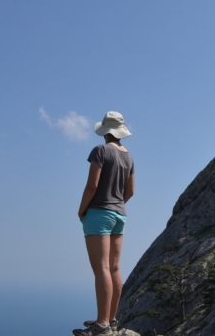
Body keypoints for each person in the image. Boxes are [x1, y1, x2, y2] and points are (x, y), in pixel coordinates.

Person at [74, 111, 136, 336]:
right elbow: (130, 191)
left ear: (105, 131)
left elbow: (92, 185)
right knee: (114, 267)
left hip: (99, 213)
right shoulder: (128, 156)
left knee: (101, 269)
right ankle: (110, 320)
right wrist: (117, 203)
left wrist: (82, 210)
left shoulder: (100, 151)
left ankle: (100, 325)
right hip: (120, 214)